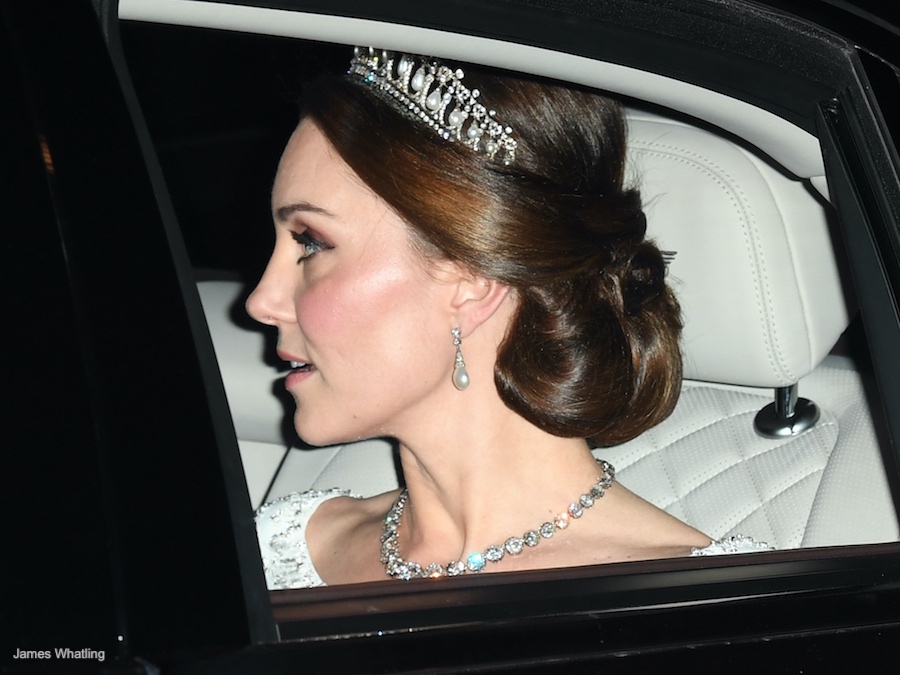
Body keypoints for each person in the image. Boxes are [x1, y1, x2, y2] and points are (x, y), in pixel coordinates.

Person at [248, 47, 770, 589]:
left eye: (311, 243)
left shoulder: (711, 608)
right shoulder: (283, 549)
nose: (261, 300)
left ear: (474, 280)